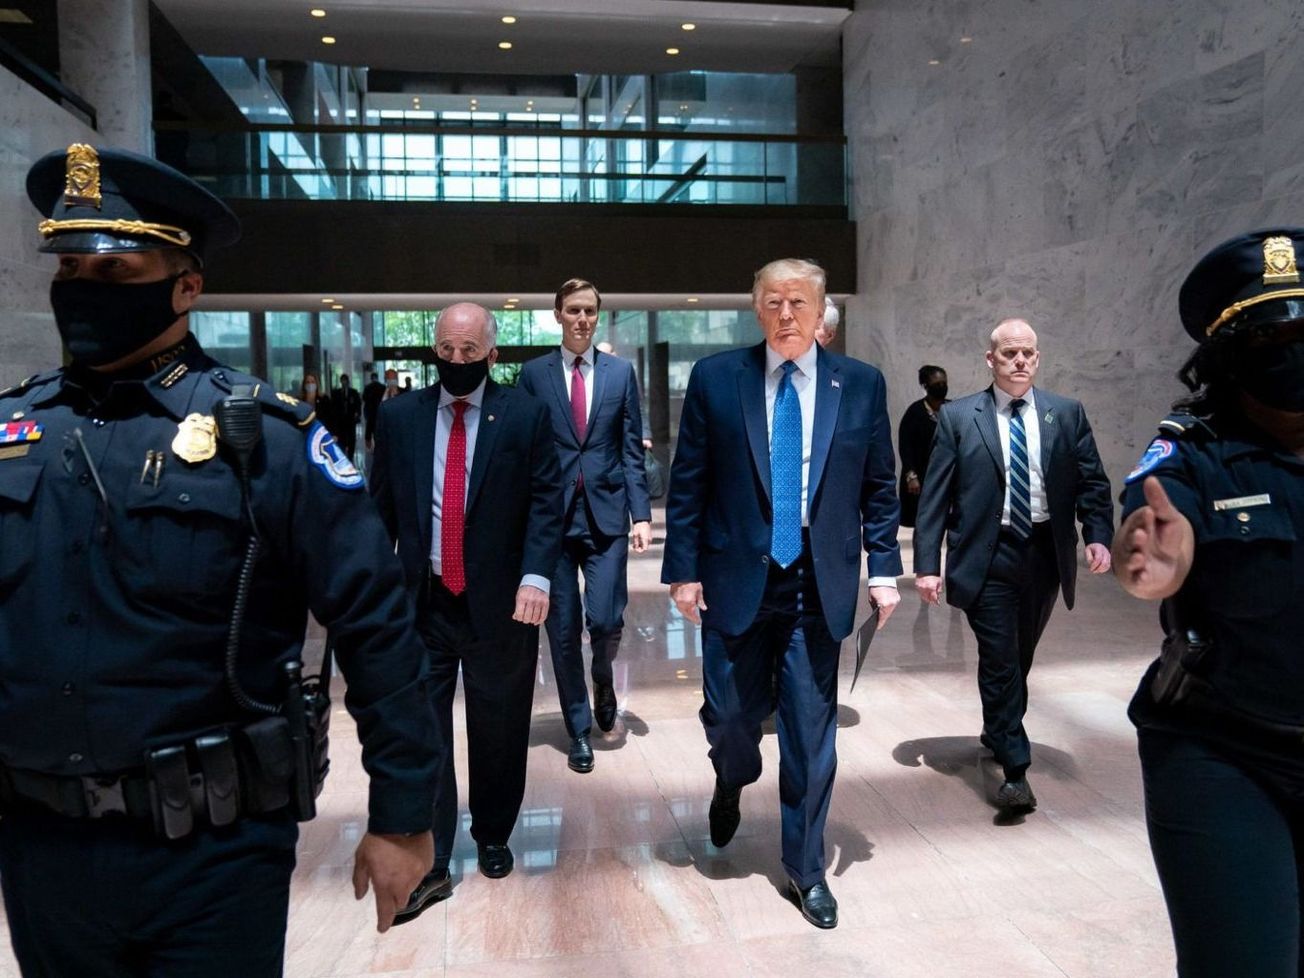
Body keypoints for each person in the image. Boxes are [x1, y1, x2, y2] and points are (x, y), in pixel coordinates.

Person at [0, 143, 438, 976]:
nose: (84, 294)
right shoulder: (14, 436)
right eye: (70, 272)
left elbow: (377, 626)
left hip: (212, 850)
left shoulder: (265, 438)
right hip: (43, 848)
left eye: (117, 273)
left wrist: (403, 816)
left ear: (186, 287)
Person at [661, 258, 902, 929]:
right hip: (736, 573)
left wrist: (883, 567)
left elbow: (879, 487)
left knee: (810, 730)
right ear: (756, 308)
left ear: (823, 310)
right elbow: (689, 483)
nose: (787, 315)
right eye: (773, 302)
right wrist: (683, 569)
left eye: (799, 302)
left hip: (815, 581)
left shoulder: (858, 384)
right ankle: (731, 778)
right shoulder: (716, 379)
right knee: (733, 718)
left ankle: (805, 869)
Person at [1113, 228, 1304, 978]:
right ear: (1229, 356)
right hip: (1224, 747)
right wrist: (1151, 562)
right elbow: (1153, 527)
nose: (1292, 352)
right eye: (1270, 338)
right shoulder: (1191, 451)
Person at [369, 302, 563, 923]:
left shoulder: (526, 416)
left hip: (502, 603)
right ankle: (433, 855)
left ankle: (495, 833)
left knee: (499, 724)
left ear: (492, 353)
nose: (457, 362)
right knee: (423, 731)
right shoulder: (398, 417)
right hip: (422, 601)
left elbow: (547, 502)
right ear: (435, 350)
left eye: (469, 353)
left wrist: (537, 575)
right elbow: (378, 508)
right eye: (447, 352)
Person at [913, 319, 1113, 813]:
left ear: (1038, 358)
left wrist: (1099, 536)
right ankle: (1015, 769)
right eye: (1009, 354)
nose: (1020, 361)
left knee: (1020, 655)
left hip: (1045, 553)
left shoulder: (1065, 414)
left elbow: (1092, 482)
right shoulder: (960, 417)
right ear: (991, 360)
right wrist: (927, 564)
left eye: (1028, 353)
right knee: (1000, 658)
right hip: (987, 554)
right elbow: (935, 496)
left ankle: (996, 724)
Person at [518, 279, 652, 773]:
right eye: (573, 310)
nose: (582, 319)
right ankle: (578, 727)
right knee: (562, 626)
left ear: (598, 316)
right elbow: (523, 450)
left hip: (607, 512)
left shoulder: (620, 373)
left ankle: (602, 677)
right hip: (552, 518)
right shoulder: (534, 375)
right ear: (557, 315)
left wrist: (641, 514)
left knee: (606, 618)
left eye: (590, 311)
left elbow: (631, 446)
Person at [897, 365, 949, 528]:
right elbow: (905, 447)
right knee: (923, 524)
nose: (941, 386)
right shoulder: (915, 412)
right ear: (926, 386)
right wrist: (911, 476)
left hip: (945, 477)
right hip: (921, 479)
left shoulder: (952, 410)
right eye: (936, 383)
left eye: (944, 383)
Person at [333, 372, 362, 462]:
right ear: (341, 381)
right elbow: (334, 407)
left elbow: (358, 404)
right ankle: (342, 454)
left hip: (350, 420)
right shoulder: (336, 393)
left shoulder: (353, 392)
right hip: (340, 420)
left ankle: (350, 456)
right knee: (341, 438)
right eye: (343, 380)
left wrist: (357, 414)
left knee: (351, 438)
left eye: (345, 380)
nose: (344, 382)